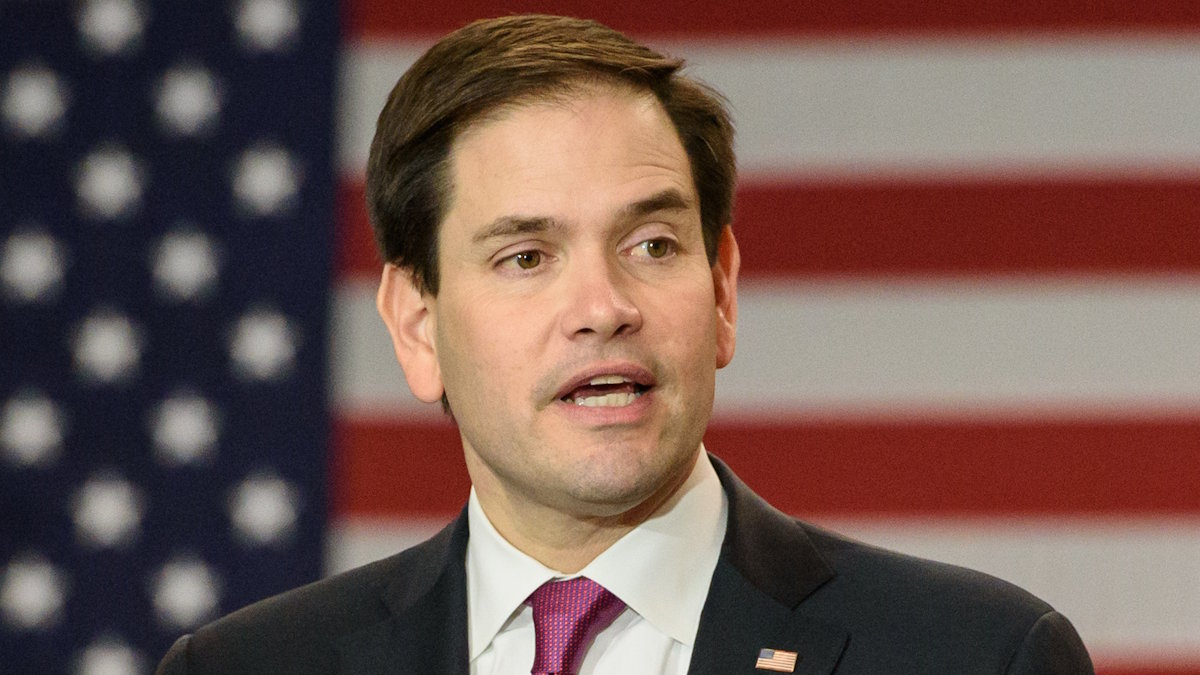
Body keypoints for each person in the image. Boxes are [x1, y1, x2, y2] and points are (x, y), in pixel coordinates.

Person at [157, 14, 1094, 674]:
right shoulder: (244, 667)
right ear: (416, 325)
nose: (603, 307)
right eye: (527, 257)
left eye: (652, 245)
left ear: (721, 291)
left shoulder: (975, 655)